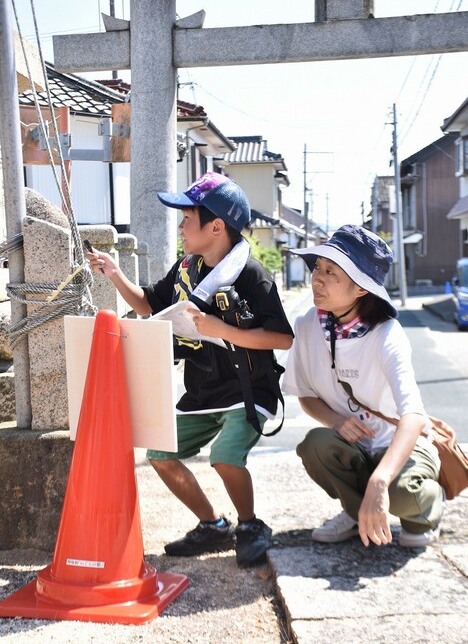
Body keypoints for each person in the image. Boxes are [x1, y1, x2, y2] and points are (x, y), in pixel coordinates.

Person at [86, 172, 294, 567]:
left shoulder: (251, 274)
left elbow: (282, 338)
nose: (180, 226)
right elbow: (149, 304)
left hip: (249, 390)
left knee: (225, 455)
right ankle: (213, 524)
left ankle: (250, 525)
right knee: (160, 453)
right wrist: (115, 273)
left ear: (216, 227)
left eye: (187, 218)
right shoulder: (186, 268)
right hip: (203, 391)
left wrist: (223, 330)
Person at [282, 224, 443, 548]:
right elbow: (307, 395)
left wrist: (380, 482)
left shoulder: (386, 333)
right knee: (316, 445)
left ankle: (428, 504)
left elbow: (413, 415)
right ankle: (357, 513)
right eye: (317, 267)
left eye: (331, 272)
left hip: (401, 446)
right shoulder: (307, 326)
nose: (317, 278)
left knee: (403, 499)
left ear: (360, 289)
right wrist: (337, 421)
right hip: (355, 448)